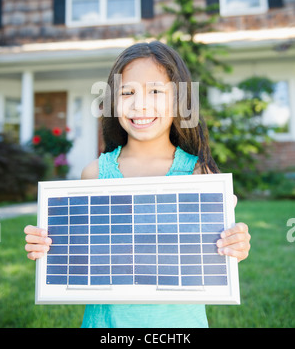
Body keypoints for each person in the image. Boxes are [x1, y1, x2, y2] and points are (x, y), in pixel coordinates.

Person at [24, 40, 251, 328]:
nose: (140, 104)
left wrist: (234, 245)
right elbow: (80, 257)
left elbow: (213, 252)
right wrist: (47, 246)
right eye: (127, 92)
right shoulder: (94, 174)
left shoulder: (198, 174)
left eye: (155, 91)